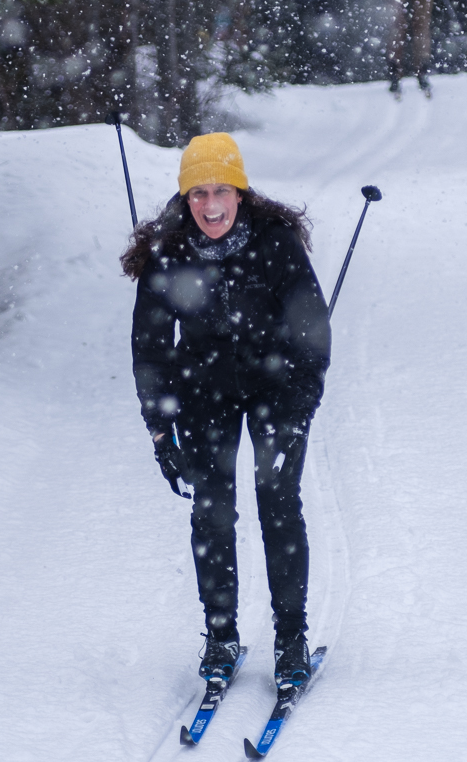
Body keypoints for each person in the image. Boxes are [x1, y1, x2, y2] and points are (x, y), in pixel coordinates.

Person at [122, 132, 331, 695]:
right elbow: (150, 349)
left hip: (274, 386)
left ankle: (291, 641)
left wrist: (299, 410)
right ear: (185, 197)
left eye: (220, 191)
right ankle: (221, 638)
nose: (210, 205)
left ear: (240, 192)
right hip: (203, 390)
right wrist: (161, 431)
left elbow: (311, 331)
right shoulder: (169, 252)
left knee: (278, 505)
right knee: (212, 513)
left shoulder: (275, 243)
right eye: (198, 193)